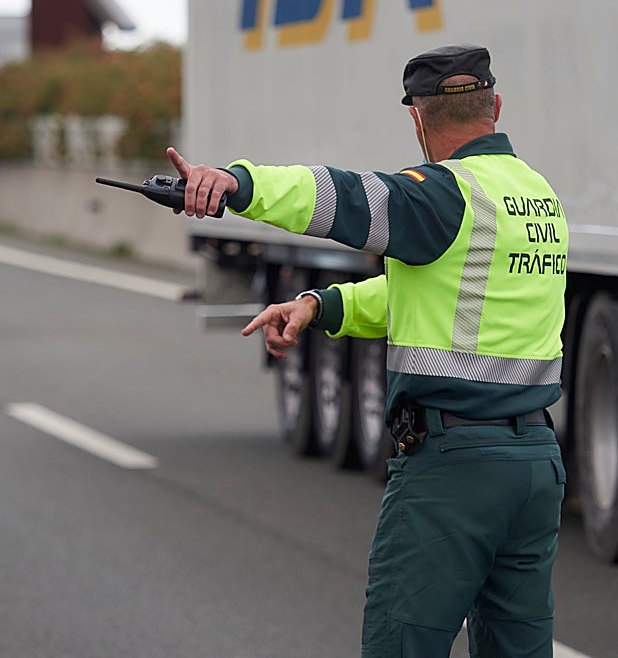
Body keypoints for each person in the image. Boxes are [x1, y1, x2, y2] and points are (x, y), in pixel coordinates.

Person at [167, 44, 568, 658]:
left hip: (453, 468)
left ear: (418, 118)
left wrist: (238, 184)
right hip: (534, 464)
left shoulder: (442, 194)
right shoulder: (537, 196)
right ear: (496, 106)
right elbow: (438, 294)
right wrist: (321, 306)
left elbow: (340, 198)